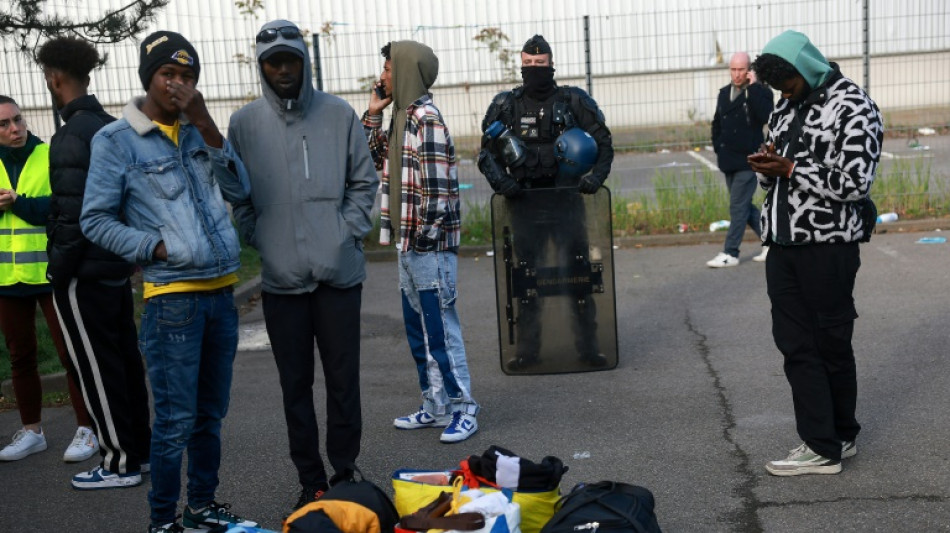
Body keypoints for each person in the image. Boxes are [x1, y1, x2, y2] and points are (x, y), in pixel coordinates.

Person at [80, 31, 258, 532]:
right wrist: (154, 248)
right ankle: (163, 522)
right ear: (149, 79)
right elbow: (94, 220)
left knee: (210, 417)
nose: (177, 84)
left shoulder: (199, 130)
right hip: (172, 301)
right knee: (176, 423)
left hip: (221, 296)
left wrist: (203, 119)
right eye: (168, 74)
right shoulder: (116, 141)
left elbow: (239, 188)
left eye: (187, 76)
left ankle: (201, 506)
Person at [227, 20, 377, 514]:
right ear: (262, 66)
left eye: (291, 59)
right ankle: (311, 480)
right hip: (282, 281)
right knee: (295, 386)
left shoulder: (338, 114)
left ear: (304, 61)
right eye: (274, 62)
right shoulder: (244, 124)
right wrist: (262, 239)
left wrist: (344, 233)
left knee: (343, 381)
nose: (284, 69)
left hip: (338, 276)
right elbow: (240, 198)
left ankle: (344, 473)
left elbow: (364, 182)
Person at [748, 30, 883, 476]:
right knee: (796, 345)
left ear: (807, 69)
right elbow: (778, 178)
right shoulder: (786, 106)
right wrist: (769, 166)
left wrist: (790, 167)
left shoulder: (855, 107)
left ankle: (823, 446)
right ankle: (835, 438)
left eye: (788, 84)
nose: (784, 94)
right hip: (783, 244)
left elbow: (854, 183)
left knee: (829, 344)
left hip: (829, 247)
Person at [36, 36, 152, 490]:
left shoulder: (69, 136)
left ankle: (119, 462)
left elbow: (71, 213)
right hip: (116, 268)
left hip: (82, 274)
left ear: (55, 77)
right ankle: (137, 452)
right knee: (123, 360)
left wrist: (56, 271)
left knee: (96, 367)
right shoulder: (112, 124)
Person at [363, 41, 480, 443]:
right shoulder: (400, 117)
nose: (382, 77)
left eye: (389, 69)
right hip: (407, 244)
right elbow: (373, 157)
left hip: (425, 247)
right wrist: (373, 115)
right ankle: (435, 405)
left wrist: (424, 242)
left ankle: (464, 408)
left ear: (408, 70)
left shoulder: (426, 120)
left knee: (441, 329)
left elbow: (438, 191)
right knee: (419, 329)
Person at [477, 35, 613, 372]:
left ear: (551, 64)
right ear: (521, 65)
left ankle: (589, 349)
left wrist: (595, 179)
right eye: (528, 64)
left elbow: (605, 144)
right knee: (525, 280)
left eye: (540, 64)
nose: (534, 69)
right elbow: (485, 154)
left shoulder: (574, 101)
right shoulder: (506, 105)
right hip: (523, 205)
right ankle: (527, 352)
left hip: (567, 203)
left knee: (579, 276)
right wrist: (503, 182)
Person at [0, 95, 99, 464]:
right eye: (4, 124)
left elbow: (62, 205)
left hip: (50, 271)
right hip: (7, 279)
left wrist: (18, 203)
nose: (15, 129)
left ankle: (87, 429)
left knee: (70, 351)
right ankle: (31, 432)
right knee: (19, 357)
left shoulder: (48, 154)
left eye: (18, 120)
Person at [707, 52, 773, 268]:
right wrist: (717, 146)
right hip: (728, 159)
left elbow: (766, 116)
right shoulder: (724, 93)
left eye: (741, 69)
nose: (737, 74)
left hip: (749, 159)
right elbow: (717, 122)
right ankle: (774, 243)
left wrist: (754, 88)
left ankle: (731, 252)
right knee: (744, 207)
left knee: (737, 206)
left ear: (749, 70)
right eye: (733, 69)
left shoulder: (760, 91)